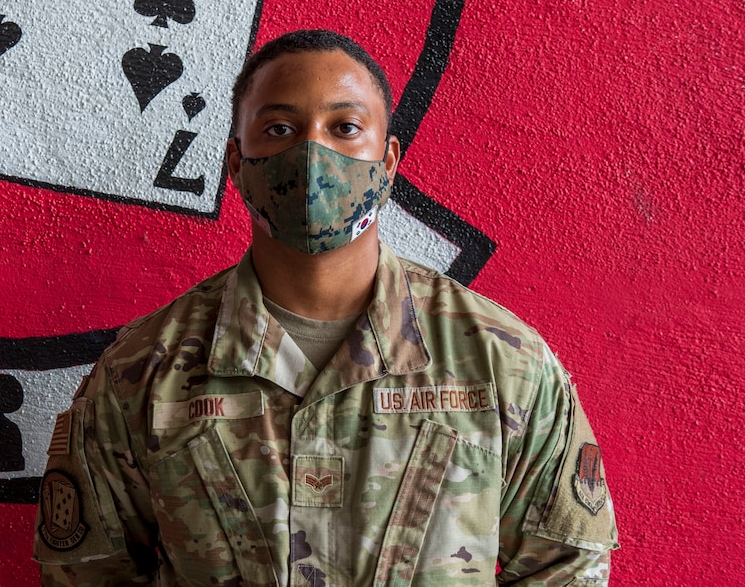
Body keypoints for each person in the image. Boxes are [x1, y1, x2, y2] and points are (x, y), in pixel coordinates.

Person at [33, 30, 618, 585]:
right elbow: (87, 572)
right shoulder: (145, 370)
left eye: (344, 128)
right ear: (236, 164)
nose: (313, 153)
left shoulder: (500, 361)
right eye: (282, 128)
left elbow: (564, 567)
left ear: (388, 163)